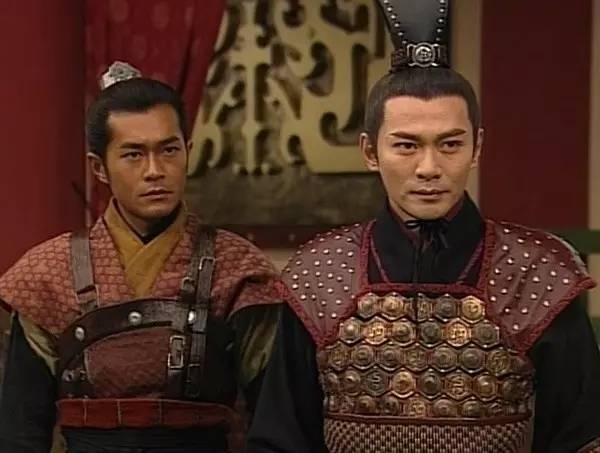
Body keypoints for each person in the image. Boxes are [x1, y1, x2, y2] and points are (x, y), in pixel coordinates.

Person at [246, 1, 600, 452]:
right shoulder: (319, 275)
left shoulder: (537, 274)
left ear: (477, 148)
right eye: (406, 146)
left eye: (449, 145)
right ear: (370, 152)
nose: (429, 167)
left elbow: (582, 438)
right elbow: (280, 440)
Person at [0, 62, 282, 453]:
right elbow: (20, 431)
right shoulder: (47, 274)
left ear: (188, 152)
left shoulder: (237, 267)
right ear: (99, 167)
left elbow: (274, 422)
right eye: (133, 154)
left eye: (169, 150)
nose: (155, 171)